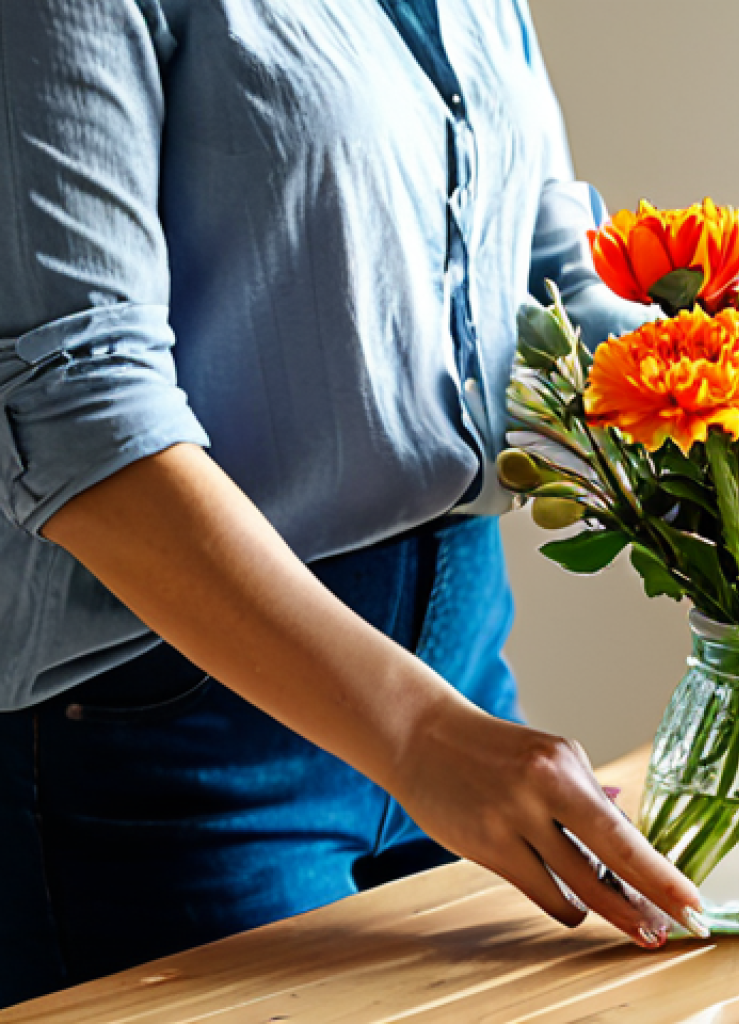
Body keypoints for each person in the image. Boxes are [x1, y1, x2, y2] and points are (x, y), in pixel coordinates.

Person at [0, 0, 702, 1007]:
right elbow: (74, 406)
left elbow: (548, 284)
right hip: (176, 750)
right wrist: (415, 734)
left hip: (466, 677)